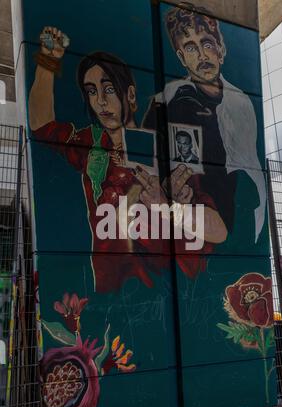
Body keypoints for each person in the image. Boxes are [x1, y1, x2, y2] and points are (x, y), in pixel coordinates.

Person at [29, 26, 227, 292]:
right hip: (110, 293)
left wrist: (168, 207)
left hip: (167, 293)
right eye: (91, 91)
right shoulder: (92, 144)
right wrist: (48, 59)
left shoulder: (169, 149)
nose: (100, 101)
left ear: (131, 95)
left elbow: (218, 231)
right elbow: (41, 125)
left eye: (109, 89)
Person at [143, 3, 266, 243]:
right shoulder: (166, 101)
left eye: (207, 44)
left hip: (237, 222)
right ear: (181, 58)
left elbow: (248, 169)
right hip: (191, 229)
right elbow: (149, 165)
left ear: (220, 49)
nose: (201, 55)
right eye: (190, 48)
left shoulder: (241, 102)